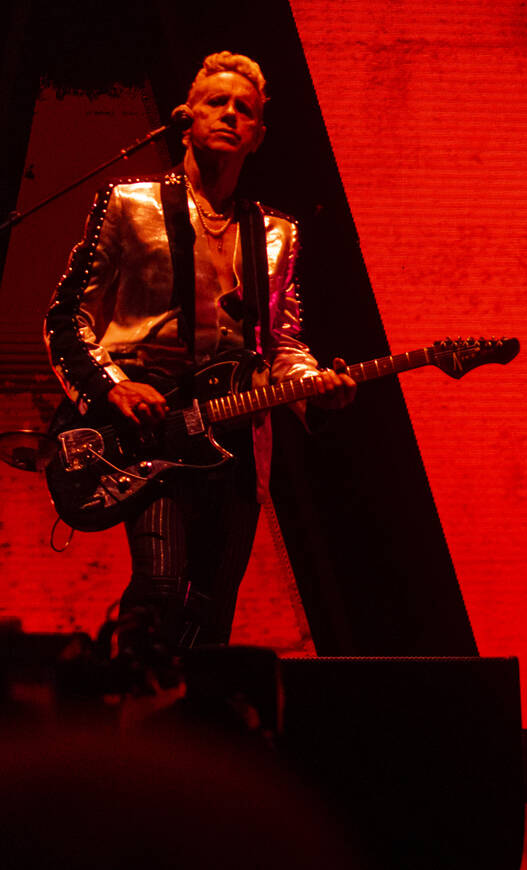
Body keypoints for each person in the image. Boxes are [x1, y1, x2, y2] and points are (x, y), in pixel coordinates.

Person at [44, 51, 355, 648]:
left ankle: (188, 729)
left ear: (259, 136)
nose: (231, 115)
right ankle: (121, 705)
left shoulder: (277, 232)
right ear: (186, 117)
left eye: (246, 110)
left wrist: (316, 384)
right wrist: (112, 386)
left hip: (235, 437)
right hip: (148, 431)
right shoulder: (128, 205)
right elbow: (66, 317)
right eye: (218, 102)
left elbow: (282, 341)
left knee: (211, 612)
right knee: (161, 590)